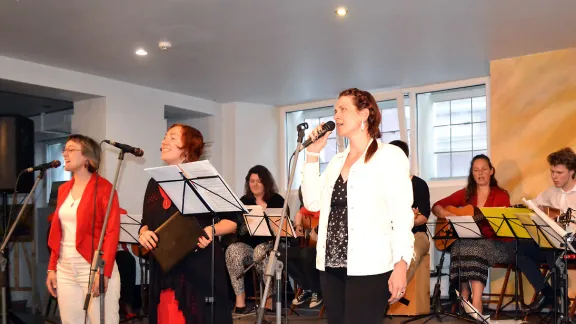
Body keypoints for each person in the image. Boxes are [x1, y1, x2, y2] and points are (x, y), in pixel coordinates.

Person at [302, 88, 414, 324]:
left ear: (364, 114)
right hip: (331, 264)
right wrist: (312, 155)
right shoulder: (336, 161)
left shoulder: (389, 156)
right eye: (335, 110)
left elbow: (402, 216)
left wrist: (401, 264)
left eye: (343, 109)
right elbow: (312, 201)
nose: (336, 116)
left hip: (369, 267)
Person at [138, 124, 237, 324]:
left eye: (173, 138)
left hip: (198, 268)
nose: (164, 141)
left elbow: (233, 222)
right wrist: (143, 233)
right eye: (165, 136)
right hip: (163, 268)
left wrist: (211, 230)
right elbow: (145, 223)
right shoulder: (153, 182)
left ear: (187, 148)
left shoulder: (204, 179)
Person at [46, 134, 121, 324]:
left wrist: (104, 272)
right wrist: (51, 268)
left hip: (92, 266)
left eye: (71, 149)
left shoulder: (105, 188)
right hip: (65, 268)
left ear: (88, 157)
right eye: (65, 149)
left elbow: (112, 233)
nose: (65, 153)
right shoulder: (64, 189)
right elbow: (59, 233)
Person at [432, 154, 511, 314]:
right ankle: (464, 292)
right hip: (471, 243)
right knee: (459, 245)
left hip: (497, 245)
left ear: (491, 171)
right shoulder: (467, 194)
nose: (480, 173)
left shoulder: (501, 195)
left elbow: (502, 229)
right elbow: (436, 206)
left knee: (475, 247)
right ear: (472, 173)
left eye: (484, 169)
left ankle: (476, 301)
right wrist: (449, 215)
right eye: (476, 170)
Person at [512, 147, 576, 312]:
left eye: (559, 172)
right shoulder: (550, 192)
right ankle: (548, 293)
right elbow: (533, 206)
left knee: (552, 248)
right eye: (552, 172)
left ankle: (559, 303)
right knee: (518, 249)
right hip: (554, 245)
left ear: (572, 171)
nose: (554, 176)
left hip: (573, 245)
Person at [225, 165, 285, 313]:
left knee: (260, 251)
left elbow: (282, 228)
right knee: (233, 250)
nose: (255, 184)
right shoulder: (243, 201)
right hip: (247, 245)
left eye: (259, 181)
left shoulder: (277, 200)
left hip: (270, 245)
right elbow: (235, 226)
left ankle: (269, 298)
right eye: (252, 181)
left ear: (266, 182)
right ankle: (240, 298)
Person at [389, 140, 431, 282]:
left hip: (417, 234)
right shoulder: (384, 185)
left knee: (409, 257)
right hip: (389, 234)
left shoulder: (419, 184)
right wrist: (408, 216)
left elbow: (423, 216)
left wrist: (405, 221)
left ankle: (395, 291)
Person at [283, 187, 322, 309]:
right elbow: (299, 213)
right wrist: (298, 225)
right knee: (280, 254)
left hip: (324, 250)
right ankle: (307, 287)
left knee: (306, 254)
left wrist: (318, 232)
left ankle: (317, 291)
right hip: (309, 247)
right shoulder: (309, 207)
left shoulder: (327, 207)